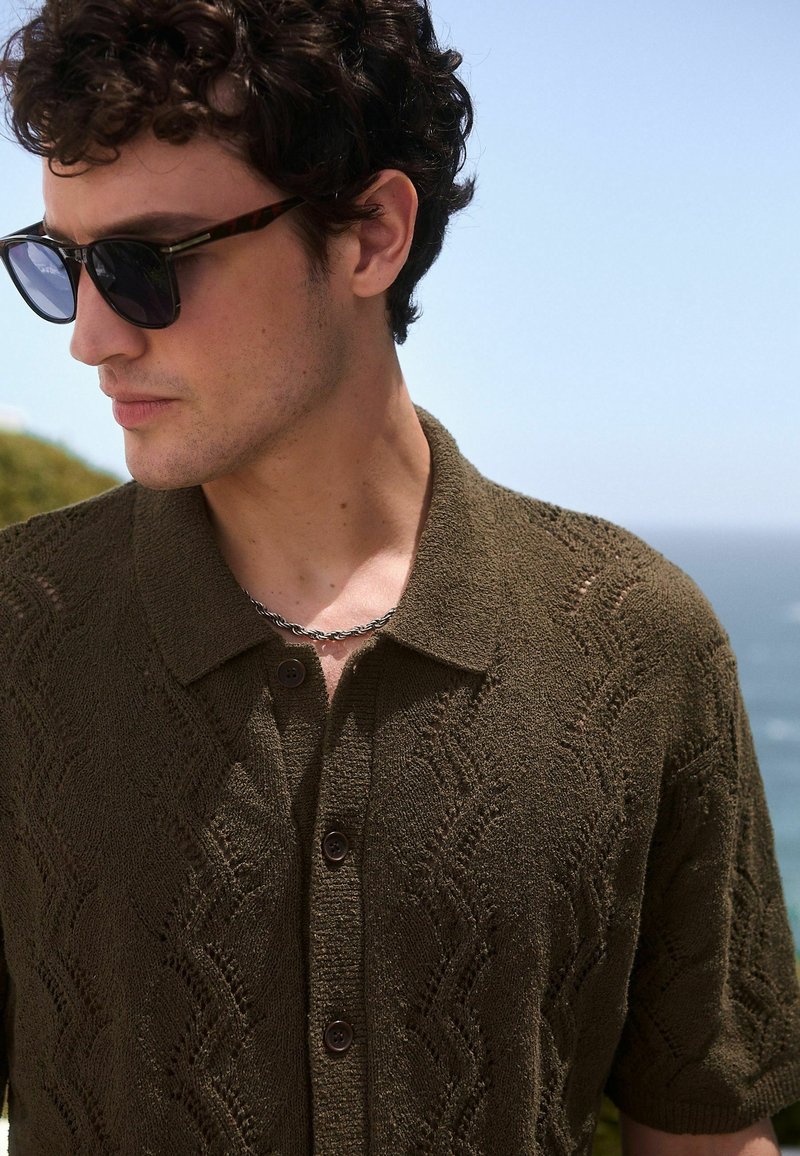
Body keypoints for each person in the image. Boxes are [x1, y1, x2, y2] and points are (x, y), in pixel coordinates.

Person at [0, 0, 798, 1152]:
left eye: (142, 265)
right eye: (59, 263)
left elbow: (707, 1133)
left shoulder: (638, 641)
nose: (90, 336)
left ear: (370, 234)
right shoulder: (19, 633)